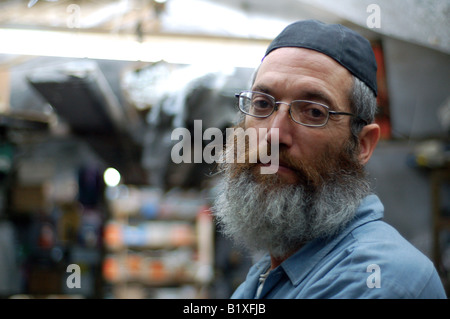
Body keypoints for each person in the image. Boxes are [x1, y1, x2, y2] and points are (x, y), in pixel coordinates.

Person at [212, 19, 447, 299]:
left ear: (361, 145)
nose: (274, 135)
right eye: (262, 104)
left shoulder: (377, 280)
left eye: (313, 112)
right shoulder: (276, 267)